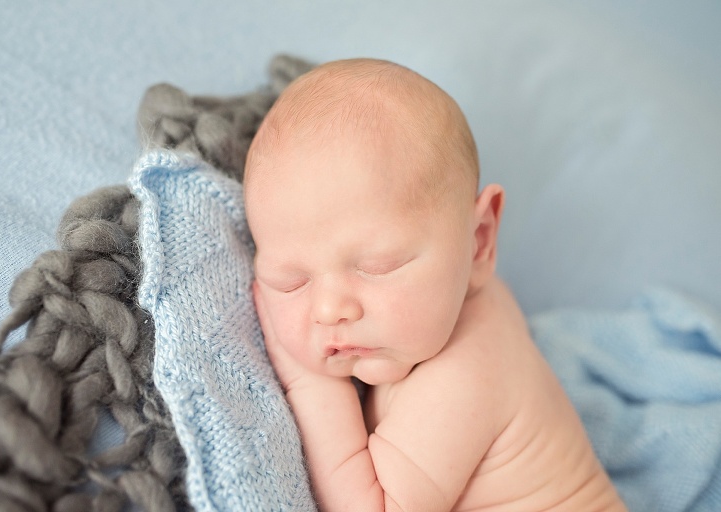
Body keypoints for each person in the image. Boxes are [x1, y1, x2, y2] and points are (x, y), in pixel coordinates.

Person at [244, 58, 626, 511]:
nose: (329, 310)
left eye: (378, 266)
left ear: (478, 240)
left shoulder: (469, 369)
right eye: (291, 282)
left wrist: (309, 384)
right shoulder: (435, 319)